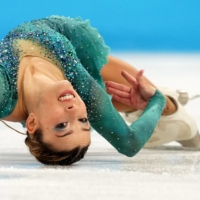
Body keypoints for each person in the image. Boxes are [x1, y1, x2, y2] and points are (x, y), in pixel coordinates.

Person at [0, 15, 198, 165]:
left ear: (32, 122)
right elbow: (129, 143)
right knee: (141, 94)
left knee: (119, 97)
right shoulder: (83, 93)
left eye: (62, 126)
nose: (74, 111)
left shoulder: (3, 93)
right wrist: (158, 100)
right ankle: (173, 110)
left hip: (69, 37)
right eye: (84, 121)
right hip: (72, 54)